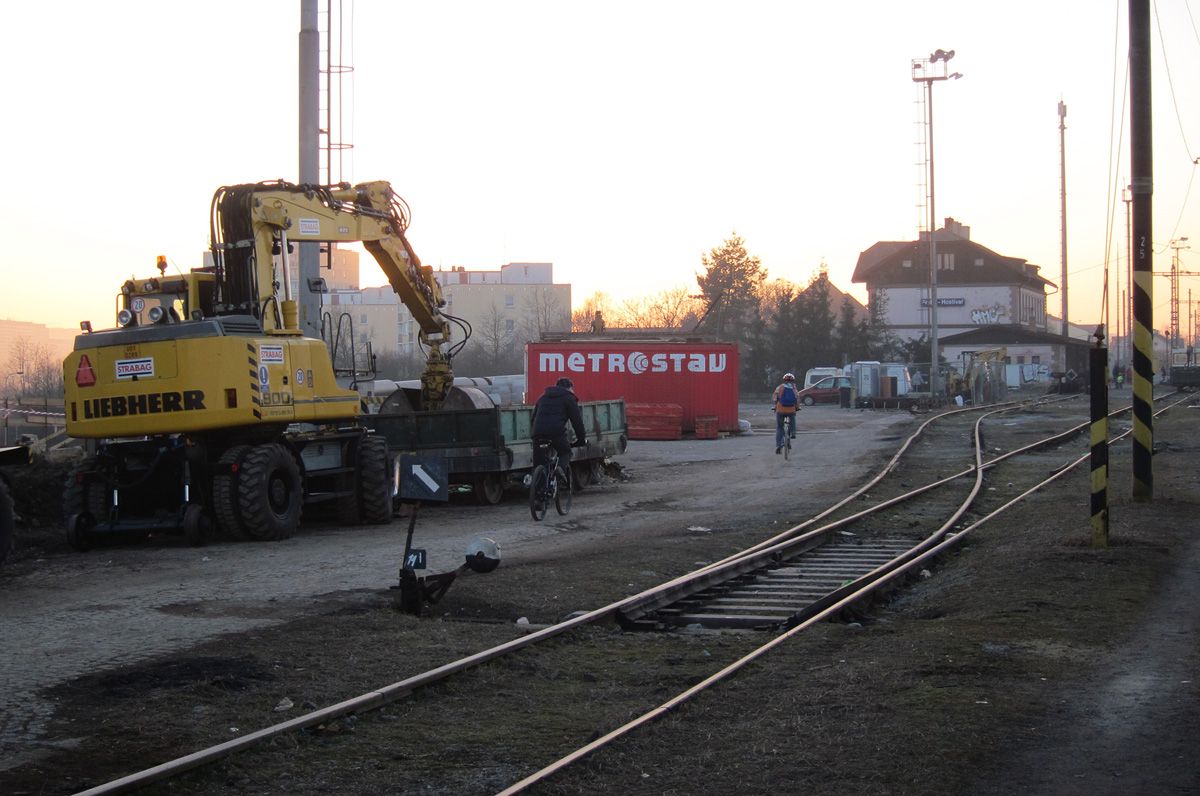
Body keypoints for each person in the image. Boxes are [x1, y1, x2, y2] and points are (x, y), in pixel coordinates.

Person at [531, 377, 588, 480]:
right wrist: (581, 439)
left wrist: (534, 433)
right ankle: (560, 468)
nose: (573, 391)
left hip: (538, 432)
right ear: (569, 388)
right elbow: (577, 421)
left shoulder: (542, 397)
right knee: (566, 452)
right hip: (555, 432)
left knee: (539, 464)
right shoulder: (569, 398)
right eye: (572, 389)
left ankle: (537, 488)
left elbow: (533, 418)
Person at [771, 373, 799, 454]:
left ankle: (779, 445)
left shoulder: (779, 387)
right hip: (791, 410)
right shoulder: (794, 388)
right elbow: (797, 398)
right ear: (793, 380)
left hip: (780, 410)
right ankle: (793, 432)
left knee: (779, 427)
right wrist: (797, 407)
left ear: (784, 380)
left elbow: (774, 398)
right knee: (792, 419)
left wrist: (775, 406)